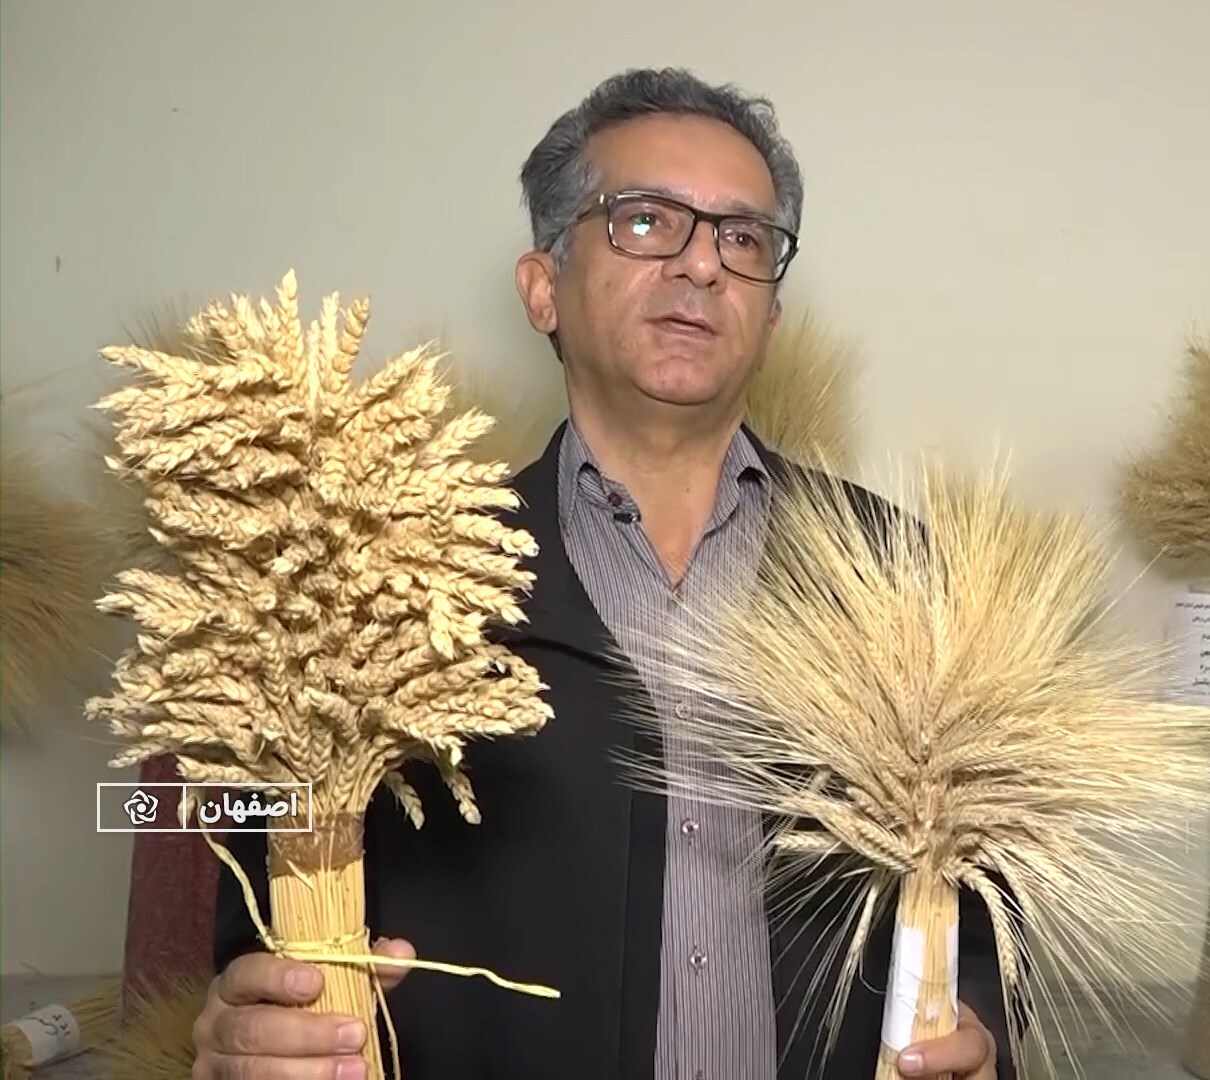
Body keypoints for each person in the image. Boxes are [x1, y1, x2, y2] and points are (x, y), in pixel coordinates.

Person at [190, 68, 1017, 1080]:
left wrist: (980, 1029)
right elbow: (265, 906)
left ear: (773, 314)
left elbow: (983, 897)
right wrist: (252, 1021)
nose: (702, 264)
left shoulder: (895, 571)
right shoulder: (379, 579)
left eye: (743, 238)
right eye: (646, 221)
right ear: (544, 287)